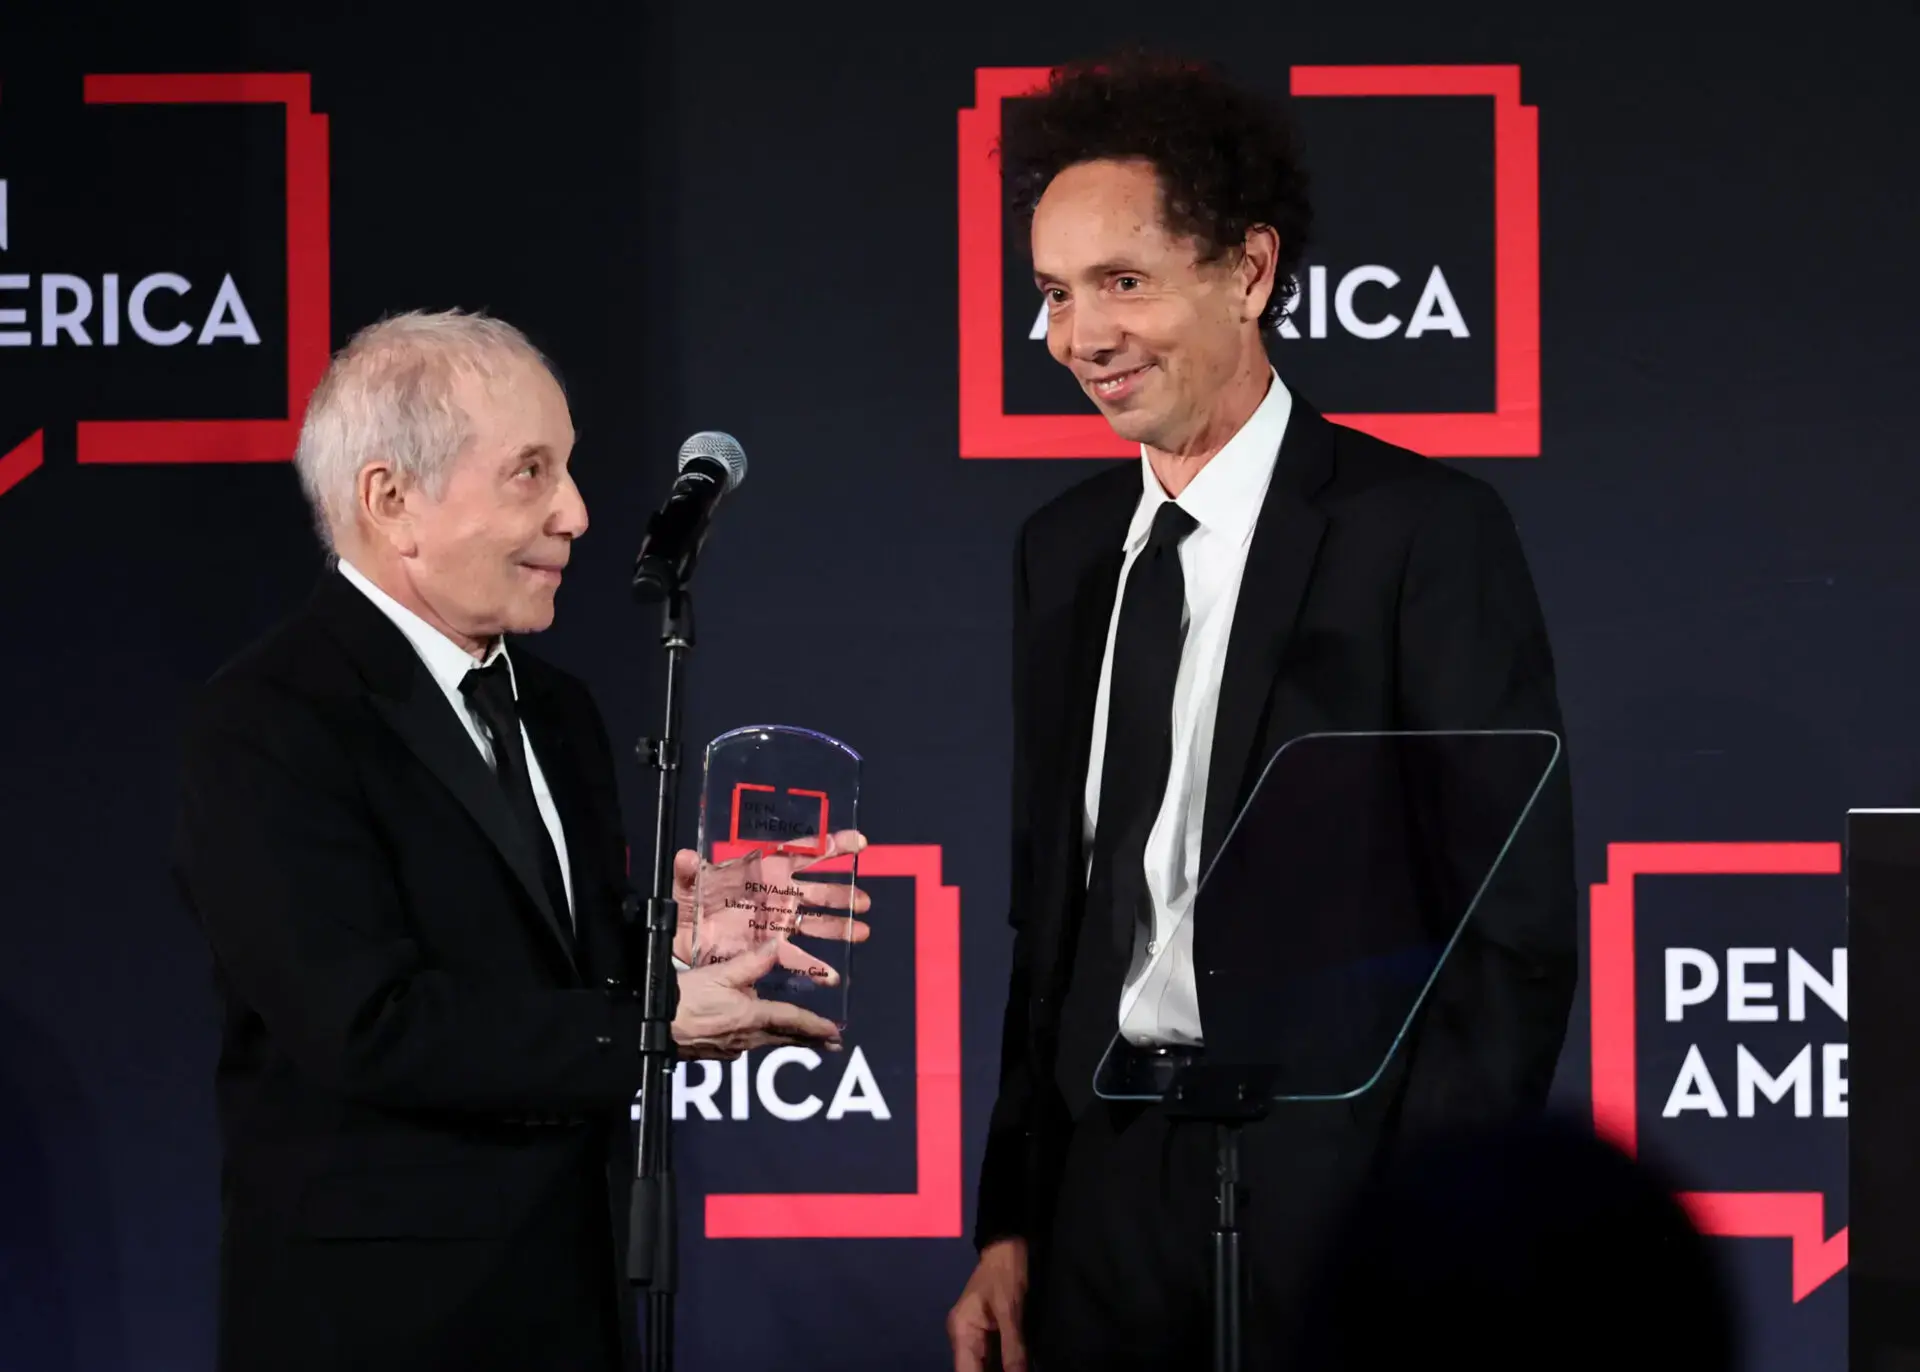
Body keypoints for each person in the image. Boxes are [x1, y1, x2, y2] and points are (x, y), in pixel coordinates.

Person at [946, 53, 1577, 1371]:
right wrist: (1011, 1213)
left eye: (1125, 282)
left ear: (1248, 270)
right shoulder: (1059, 551)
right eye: (1056, 295)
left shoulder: (1419, 534)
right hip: (1104, 1194)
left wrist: (1434, 1218)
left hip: (1336, 1188)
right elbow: (1053, 914)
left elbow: (1506, 926)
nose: (1081, 336)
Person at [172, 310, 865, 1372]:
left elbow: (542, 970)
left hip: (568, 1306)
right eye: (530, 474)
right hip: (379, 1329)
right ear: (391, 502)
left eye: (570, 469)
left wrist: (677, 951)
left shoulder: (558, 707)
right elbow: (369, 1024)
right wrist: (653, 1022)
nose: (579, 513)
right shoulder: (269, 721)